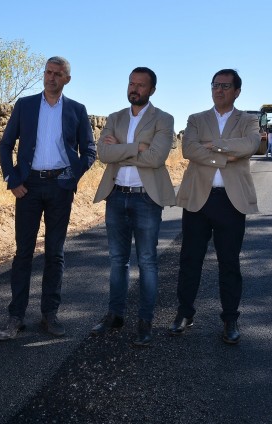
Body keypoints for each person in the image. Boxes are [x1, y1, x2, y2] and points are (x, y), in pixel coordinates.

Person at [0, 56, 96, 340]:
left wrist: (73, 177)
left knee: (55, 253)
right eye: (48, 72)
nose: (51, 77)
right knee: (23, 254)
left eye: (57, 74)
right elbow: (5, 145)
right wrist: (12, 179)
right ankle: (15, 316)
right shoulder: (25, 106)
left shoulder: (77, 110)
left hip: (60, 189)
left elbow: (89, 150)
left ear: (67, 78)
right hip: (27, 187)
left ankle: (49, 315)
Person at [169, 69, 260, 345]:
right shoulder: (196, 120)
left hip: (231, 201)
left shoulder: (249, 120)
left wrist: (214, 145)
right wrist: (227, 154)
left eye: (225, 86)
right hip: (199, 198)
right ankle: (184, 314)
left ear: (237, 91)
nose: (218, 90)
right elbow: (189, 150)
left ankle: (230, 319)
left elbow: (250, 145)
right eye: (215, 85)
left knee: (229, 263)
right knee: (189, 260)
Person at [90, 67, 175, 346]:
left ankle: (145, 321)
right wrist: (137, 146)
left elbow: (156, 157)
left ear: (151, 90)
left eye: (140, 85)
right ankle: (115, 315)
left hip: (146, 199)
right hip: (116, 195)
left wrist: (123, 149)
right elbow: (103, 153)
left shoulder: (163, 119)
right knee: (118, 261)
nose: (134, 88)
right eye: (131, 83)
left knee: (148, 262)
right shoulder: (115, 118)